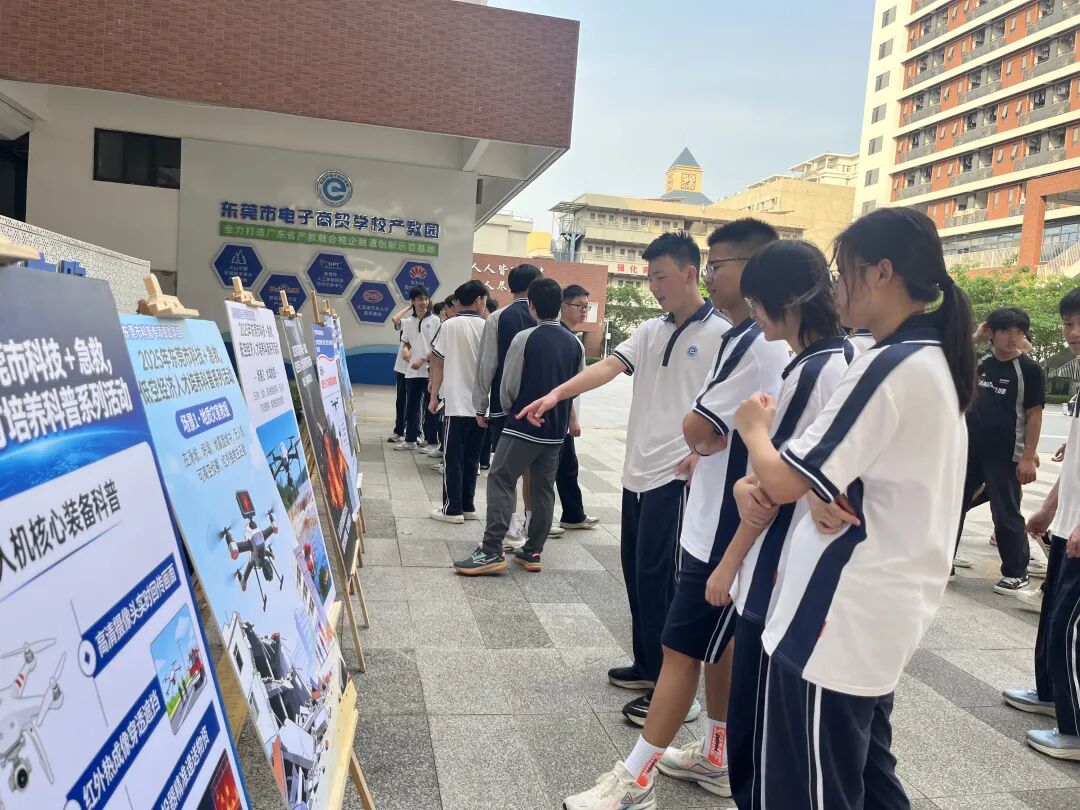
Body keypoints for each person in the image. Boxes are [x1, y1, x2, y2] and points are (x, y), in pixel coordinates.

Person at [727, 207, 973, 808]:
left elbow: (783, 481)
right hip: (877, 610)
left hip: (838, 613)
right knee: (867, 776)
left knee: (812, 788)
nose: (835, 288)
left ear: (882, 272)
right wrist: (820, 489)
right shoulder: (929, 357)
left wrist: (752, 427)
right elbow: (849, 477)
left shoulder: (888, 364)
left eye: (844, 273)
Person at [560, 220, 787, 810]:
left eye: (718, 265)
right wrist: (560, 395)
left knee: (683, 642)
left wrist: (702, 441)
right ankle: (717, 751)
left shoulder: (749, 341)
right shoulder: (735, 336)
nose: (711, 275)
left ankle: (636, 779)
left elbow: (700, 427)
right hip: (710, 510)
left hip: (721, 520)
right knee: (707, 637)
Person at [519, 231, 729, 719]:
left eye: (661, 277)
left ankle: (675, 692)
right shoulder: (652, 329)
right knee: (637, 573)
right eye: (650, 277)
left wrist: (705, 452)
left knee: (664, 580)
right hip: (637, 472)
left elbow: (734, 404)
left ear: (690, 274)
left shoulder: (721, 334)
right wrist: (558, 394)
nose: (653, 287)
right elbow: (609, 367)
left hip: (676, 476)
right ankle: (648, 664)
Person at [703, 240, 850, 808]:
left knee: (755, 737)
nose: (753, 314)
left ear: (784, 302)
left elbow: (773, 490)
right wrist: (747, 484)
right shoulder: (841, 360)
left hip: (776, 576)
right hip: (800, 573)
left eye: (757, 303)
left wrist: (727, 564)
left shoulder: (812, 372)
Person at [454, 278, 585, 574]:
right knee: (543, 488)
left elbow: (509, 385)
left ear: (531, 305)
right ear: (560, 306)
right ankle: (532, 551)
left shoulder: (525, 338)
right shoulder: (575, 343)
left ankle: (491, 550)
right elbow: (575, 387)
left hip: (522, 424)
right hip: (555, 431)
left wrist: (509, 409)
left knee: (501, 477)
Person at [1002, 286, 1080, 762]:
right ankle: (1051, 694)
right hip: (1067, 524)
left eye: (1079, 323)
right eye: (1069, 323)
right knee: (1053, 617)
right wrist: (1051, 509)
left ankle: (1076, 729)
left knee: (1070, 626)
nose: (1073, 332)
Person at [955, 306, 1046, 595]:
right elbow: (950, 360)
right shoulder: (980, 361)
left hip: (1005, 453)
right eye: (1005, 330)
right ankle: (943, 560)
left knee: (1006, 511)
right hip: (969, 450)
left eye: (1018, 332)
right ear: (992, 332)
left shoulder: (1029, 369)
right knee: (953, 505)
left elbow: (1034, 414)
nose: (1012, 337)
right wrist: (974, 337)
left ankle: (1016, 572)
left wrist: (1028, 456)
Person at [475, 264, 543, 536]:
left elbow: (487, 365)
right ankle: (532, 523)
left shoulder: (498, 318)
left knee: (506, 470)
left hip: (505, 408)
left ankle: (510, 528)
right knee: (533, 470)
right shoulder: (547, 318)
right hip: (540, 407)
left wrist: (480, 404)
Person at [428, 280, 489, 523]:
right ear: (478, 300)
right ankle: (468, 506)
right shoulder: (488, 326)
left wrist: (433, 396)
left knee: (453, 458)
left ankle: (452, 509)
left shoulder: (448, 325)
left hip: (455, 403)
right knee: (472, 458)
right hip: (482, 406)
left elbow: (437, 362)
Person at [556, 284, 600, 531]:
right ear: (563, 306)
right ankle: (563, 517)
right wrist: (573, 419)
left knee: (567, 467)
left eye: (586, 307)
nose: (584, 311)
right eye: (579, 306)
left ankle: (573, 515)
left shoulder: (570, 339)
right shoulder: (567, 341)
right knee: (557, 469)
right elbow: (566, 386)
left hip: (562, 417)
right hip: (560, 417)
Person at [395, 286, 433, 452]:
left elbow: (438, 345)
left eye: (426, 299)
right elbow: (406, 341)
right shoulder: (409, 322)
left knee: (430, 408)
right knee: (411, 406)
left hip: (430, 371)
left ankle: (432, 441)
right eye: (420, 299)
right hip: (412, 371)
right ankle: (410, 440)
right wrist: (405, 350)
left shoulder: (435, 321)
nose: (424, 302)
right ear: (413, 302)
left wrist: (423, 358)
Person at [388, 301, 413, 443]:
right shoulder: (408, 322)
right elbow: (395, 319)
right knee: (401, 401)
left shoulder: (430, 323)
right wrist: (408, 307)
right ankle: (399, 431)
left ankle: (415, 432)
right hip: (402, 367)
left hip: (417, 369)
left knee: (414, 403)